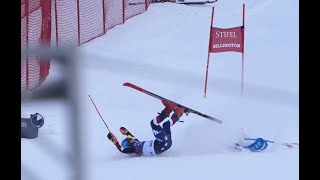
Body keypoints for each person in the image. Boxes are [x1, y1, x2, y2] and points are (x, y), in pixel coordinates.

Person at [107, 100, 189, 156]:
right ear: (128, 145)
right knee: (153, 124)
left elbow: (131, 136)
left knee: (166, 125)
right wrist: (115, 141)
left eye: (130, 140)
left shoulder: (135, 143)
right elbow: (122, 150)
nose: (131, 140)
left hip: (166, 143)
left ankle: (179, 112)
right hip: (162, 144)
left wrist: (126, 132)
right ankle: (168, 109)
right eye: (129, 141)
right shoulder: (133, 149)